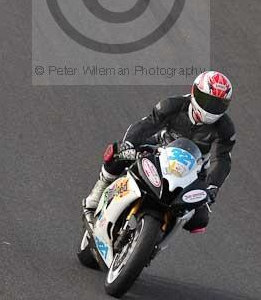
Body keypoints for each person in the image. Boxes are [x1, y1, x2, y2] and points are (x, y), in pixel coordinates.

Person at [83, 71, 236, 233]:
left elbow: (222, 159)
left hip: (195, 170)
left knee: (200, 220)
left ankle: (158, 238)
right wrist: (129, 144)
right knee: (117, 152)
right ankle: (94, 199)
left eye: (217, 105)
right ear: (194, 92)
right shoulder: (173, 105)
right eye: (207, 101)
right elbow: (147, 125)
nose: (211, 108)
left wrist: (213, 185)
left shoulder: (225, 128)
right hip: (160, 150)